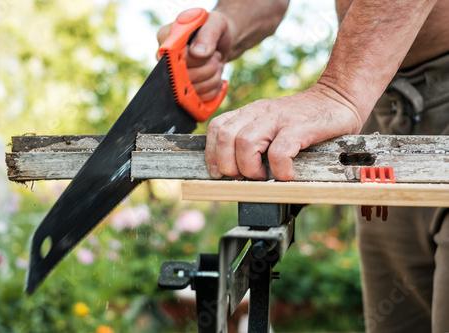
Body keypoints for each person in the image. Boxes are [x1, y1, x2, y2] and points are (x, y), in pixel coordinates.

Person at [158, 0, 449, 332]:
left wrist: (341, 91)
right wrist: (230, 23)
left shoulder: (348, 92)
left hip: (371, 85)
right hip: (381, 97)